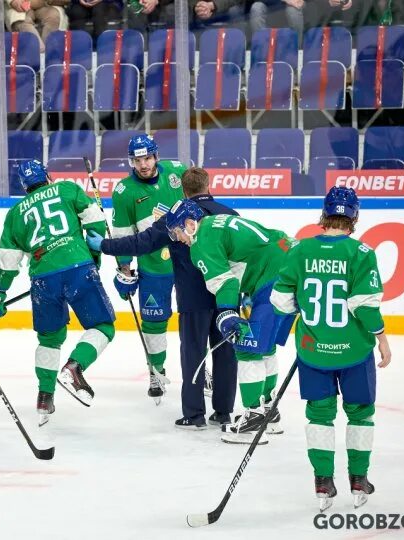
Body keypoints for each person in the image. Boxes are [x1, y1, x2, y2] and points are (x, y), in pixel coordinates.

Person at [271, 186, 391, 511]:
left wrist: (305, 305)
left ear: (324, 215)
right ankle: (358, 479)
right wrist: (382, 338)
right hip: (354, 352)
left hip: (313, 351)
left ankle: (323, 482)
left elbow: (280, 302)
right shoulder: (362, 253)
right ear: (354, 217)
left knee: (319, 415)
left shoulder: (299, 250)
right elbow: (365, 307)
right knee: (360, 414)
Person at [88, 168, 238, 428]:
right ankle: (224, 411)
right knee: (225, 351)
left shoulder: (176, 217)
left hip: (194, 297)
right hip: (228, 294)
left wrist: (104, 245)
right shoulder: (230, 214)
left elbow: (140, 243)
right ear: (208, 184)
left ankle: (194, 414)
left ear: (182, 189)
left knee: (193, 352)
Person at [0, 159, 114, 426]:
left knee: (49, 338)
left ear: (23, 187)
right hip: (77, 266)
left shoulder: (15, 213)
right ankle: (75, 367)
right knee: (103, 326)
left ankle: (45, 398)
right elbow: (96, 221)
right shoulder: (66, 188)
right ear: (48, 175)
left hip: (42, 279)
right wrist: (95, 255)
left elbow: (8, 262)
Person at [165, 199, 296, 444]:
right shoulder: (217, 223)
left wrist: (226, 313)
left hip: (272, 278)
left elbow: (227, 282)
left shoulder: (202, 241)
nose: (177, 238)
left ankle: (254, 419)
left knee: (248, 347)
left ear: (191, 224)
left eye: (177, 231)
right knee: (265, 347)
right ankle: (269, 410)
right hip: (289, 262)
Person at [109, 134, 185, 404]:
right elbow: (122, 235)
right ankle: (157, 370)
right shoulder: (124, 191)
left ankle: (202, 368)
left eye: (147, 158)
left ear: (156, 156)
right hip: (154, 265)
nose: (142, 164)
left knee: (197, 319)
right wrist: (125, 269)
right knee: (154, 321)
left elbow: (200, 202)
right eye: (137, 160)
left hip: (189, 261)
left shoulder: (178, 172)